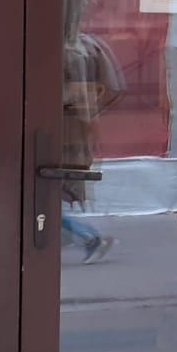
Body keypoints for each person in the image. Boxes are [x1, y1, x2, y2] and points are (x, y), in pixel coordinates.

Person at [61, 33, 125, 263]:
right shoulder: (84, 49)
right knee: (47, 204)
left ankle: (90, 238)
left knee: (45, 205)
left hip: (65, 145)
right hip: (69, 144)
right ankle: (87, 237)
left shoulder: (75, 52)